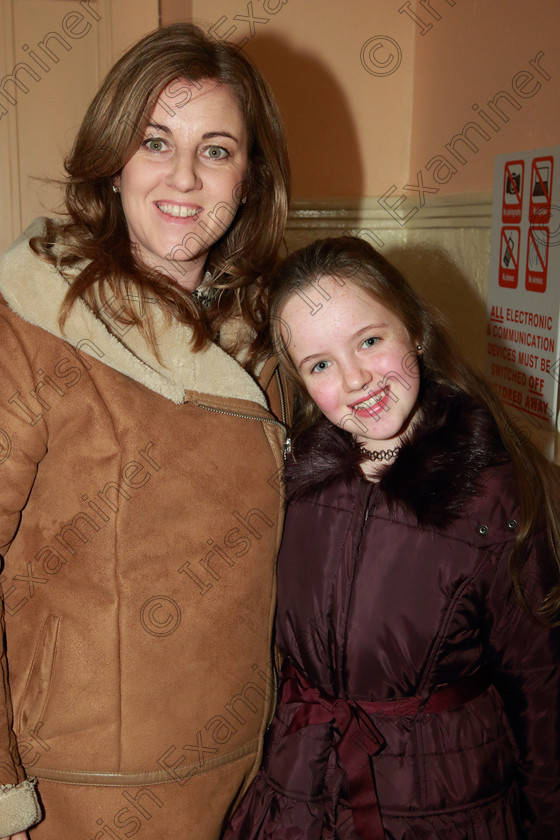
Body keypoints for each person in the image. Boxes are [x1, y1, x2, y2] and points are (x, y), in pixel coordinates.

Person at [0, 22, 290, 840]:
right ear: (114, 161)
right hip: (79, 791)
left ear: (249, 177)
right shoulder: (33, 325)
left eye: (218, 149)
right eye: (156, 141)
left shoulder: (268, 335)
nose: (185, 178)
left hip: (246, 769)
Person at [224, 236, 560, 839]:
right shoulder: (291, 483)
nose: (355, 380)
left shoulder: (494, 494)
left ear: (416, 330)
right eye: (320, 364)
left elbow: (542, 690)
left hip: (443, 807)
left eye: (370, 341)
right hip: (298, 796)